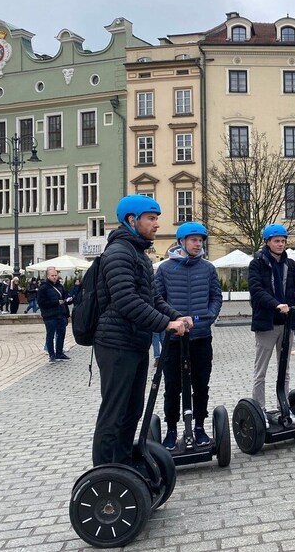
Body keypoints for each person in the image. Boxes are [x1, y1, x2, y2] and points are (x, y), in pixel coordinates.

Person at [92, 195, 191, 467]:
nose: (157, 224)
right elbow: (125, 300)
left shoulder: (138, 253)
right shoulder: (119, 253)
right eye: (151, 218)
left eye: (157, 218)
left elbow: (153, 298)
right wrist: (164, 324)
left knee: (132, 411)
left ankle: (124, 467)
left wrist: (175, 316)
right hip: (116, 345)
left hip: (134, 343)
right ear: (132, 220)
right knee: (114, 413)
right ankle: (104, 474)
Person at [155, 221, 223, 451]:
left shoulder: (208, 268)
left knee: (200, 385)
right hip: (173, 341)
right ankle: (172, 430)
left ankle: (200, 427)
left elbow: (216, 298)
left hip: (201, 337)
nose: (198, 244)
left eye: (200, 240)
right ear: (182, 241)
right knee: (172, 386)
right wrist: (174, 322)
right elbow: (158, 300)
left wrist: (207, 318)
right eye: (193, 240)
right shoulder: (164, 269)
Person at [248, 224, 295, 421]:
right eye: (276, 241)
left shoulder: (291, 264)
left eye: (283, 241)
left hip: (286, 324)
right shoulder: (257, 264)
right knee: (261, 369)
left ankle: (283, 407)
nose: (280, 244)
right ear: (267, 242)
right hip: (267, 324)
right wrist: (277, 305)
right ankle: (259, 410)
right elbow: (256, 290)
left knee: (284, 369)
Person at [38, 268, 71, 363]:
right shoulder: (43, 288)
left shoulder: (60, 286)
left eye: (55, 275)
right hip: (50, 316)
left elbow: (64, 300)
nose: (54, 277)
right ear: (48, 276)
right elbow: (41, 303)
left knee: (61, 334)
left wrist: (67, 310)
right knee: (50, 335)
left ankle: (59, 353)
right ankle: (51, 355)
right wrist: (56, 302)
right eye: (52, 275)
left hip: (61, 315)